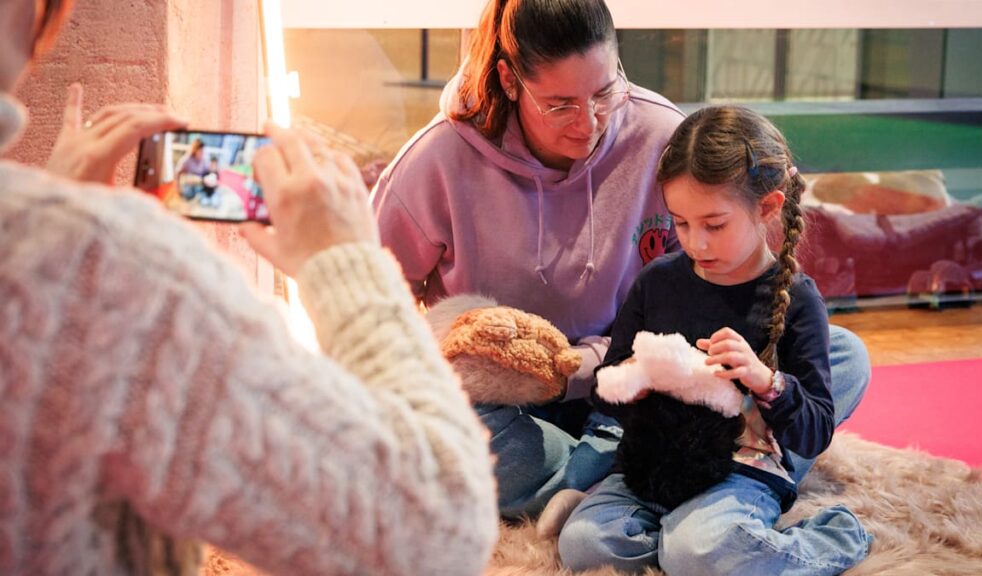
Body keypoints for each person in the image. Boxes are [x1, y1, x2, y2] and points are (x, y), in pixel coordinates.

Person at [0, 1, 497, 575]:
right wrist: (348, 265)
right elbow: (439, 531)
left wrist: (60, 216)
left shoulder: (66, 253)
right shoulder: (115, 271)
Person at [371, 0, 871, 527]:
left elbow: (701, 289)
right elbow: (369, 308)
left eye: (604, 92)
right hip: (514, 404)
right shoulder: (436, 159)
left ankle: (620, 486)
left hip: (645, 389)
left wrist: (624, 366)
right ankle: (680, 483)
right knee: (435, 439)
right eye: (560, 105)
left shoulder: (661, 135)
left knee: (842, 355)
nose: (588, 122)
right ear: (510, 81)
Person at [557, 105, 873, 574]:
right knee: (584, 545)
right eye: (680, 223)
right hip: (650, 464)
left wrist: (765, 381)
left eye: (714, 225)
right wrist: (633, 382)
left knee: (695, 553)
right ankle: (698, 541)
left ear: (767, 207)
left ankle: (834, 537)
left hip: (738, 470)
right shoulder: (657, 281)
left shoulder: (797, 299)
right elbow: (607, 391)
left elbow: (813, 432)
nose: (695, 243)